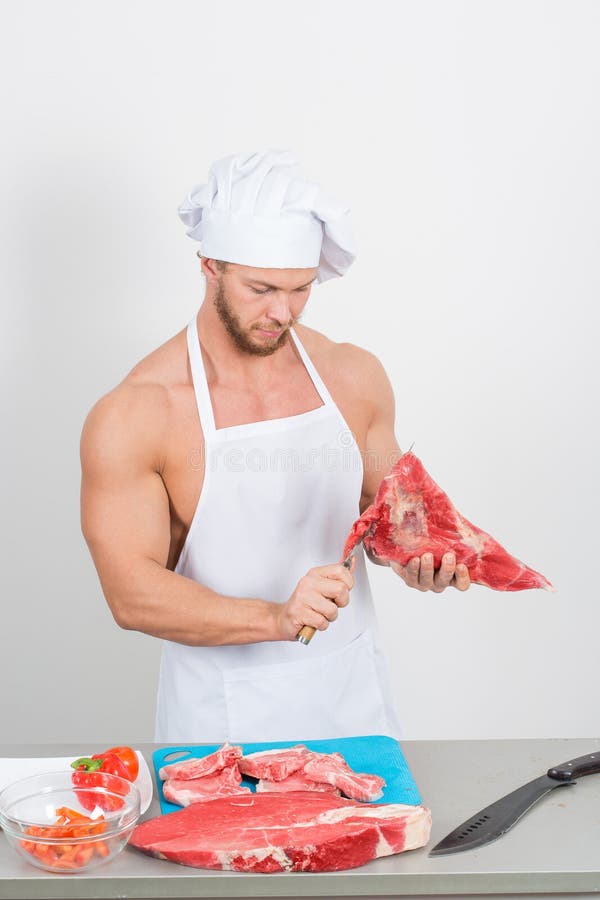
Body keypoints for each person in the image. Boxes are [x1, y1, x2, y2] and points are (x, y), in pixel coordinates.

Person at [80, 149, 470, 744]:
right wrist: (275, 618)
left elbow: (394, 519)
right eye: (260, 288)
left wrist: (423, 559)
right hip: (219, 722)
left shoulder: (354, 375)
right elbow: (131, 594)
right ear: (209, 266)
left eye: (300, 289)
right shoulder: (138, 411)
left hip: (352, 704)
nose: (280, 312)